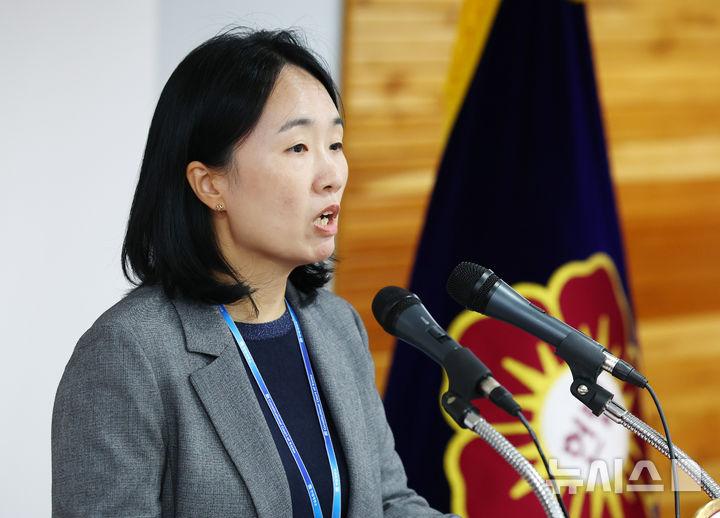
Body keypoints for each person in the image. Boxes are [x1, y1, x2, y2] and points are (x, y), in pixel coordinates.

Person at [51, 28, 455, 518]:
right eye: (298, 148)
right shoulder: (130, 355)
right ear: (210, 184)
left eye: (335, 143)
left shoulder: (335, 325)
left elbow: (388, 504)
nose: (333, 175)